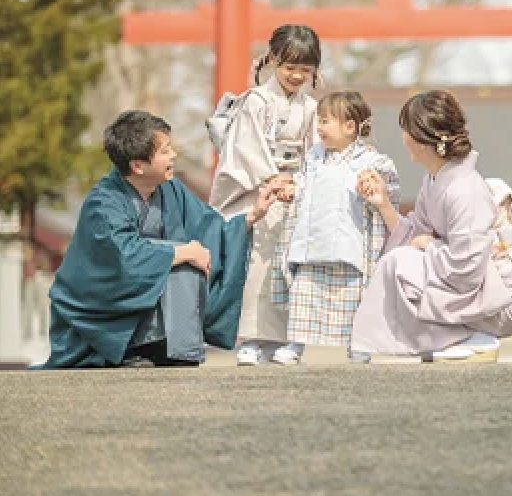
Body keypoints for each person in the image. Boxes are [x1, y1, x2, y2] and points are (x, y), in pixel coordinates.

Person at [43, 110, 279, 369]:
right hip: (98, 314)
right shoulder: (103, 203)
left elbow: (209, 227)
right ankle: (135, 346)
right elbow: (124, 258)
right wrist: (182, 253)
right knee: (178, 254)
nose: (174, 156)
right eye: (165, 151)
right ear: (138, 166)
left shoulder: (171, 189)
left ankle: (176, 349)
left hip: (144, 306)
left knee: (187, 254)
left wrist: (252, 215)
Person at [350, 89, 512, 362]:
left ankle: (468, 338)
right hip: (477, 289)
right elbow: (416, 233)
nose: (403, 138)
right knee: (397, 262)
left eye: (406, 131)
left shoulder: (464, 189)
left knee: (400, 265)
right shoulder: (436, 179)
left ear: (423, 141)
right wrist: (384, 205)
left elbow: (466, 267)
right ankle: (456, 339)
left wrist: (430, 245)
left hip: (505, 299)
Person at [209, 24, 320, 366]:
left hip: (294, 190)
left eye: (305, 69)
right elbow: (246, 147)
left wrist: (298, 184)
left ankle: (287, 337)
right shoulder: (255, 101)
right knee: (257, 261)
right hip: (257, 189)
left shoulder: (312, 107)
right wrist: (271, 179)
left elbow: (315, 153)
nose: (297, 76)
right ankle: (251, 337)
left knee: (293, 261)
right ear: (273, 60)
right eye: (290, 67)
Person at [268, 91, 399, 365]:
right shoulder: (314, 157)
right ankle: (295, 344)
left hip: (346, 243)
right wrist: (292, 189)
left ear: (350, 127)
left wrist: (373, 184)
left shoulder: (369, 161)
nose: (319, 128)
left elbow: (387, 187)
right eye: (319, 121)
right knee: (304, 293)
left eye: (326, 121)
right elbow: (303, 183)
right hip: (311, 238)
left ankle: (358, 343)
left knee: (352, 298)